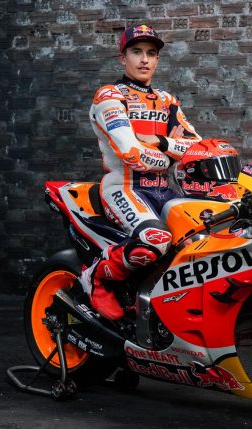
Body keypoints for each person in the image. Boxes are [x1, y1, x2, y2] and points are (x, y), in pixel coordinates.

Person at [81, 24, 201, 320]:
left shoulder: (167, 101)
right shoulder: (109, 96)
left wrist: (161, 142)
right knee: (154, 239)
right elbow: (131, 154)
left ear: (157, 59)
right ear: (123, 58)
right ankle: (97, 277)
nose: (144, 60)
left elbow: (197, 148)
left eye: (151, 53)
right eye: (136, 52)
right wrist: (171, 155)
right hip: (123, 187)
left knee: (200, 242)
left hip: (163, 191)